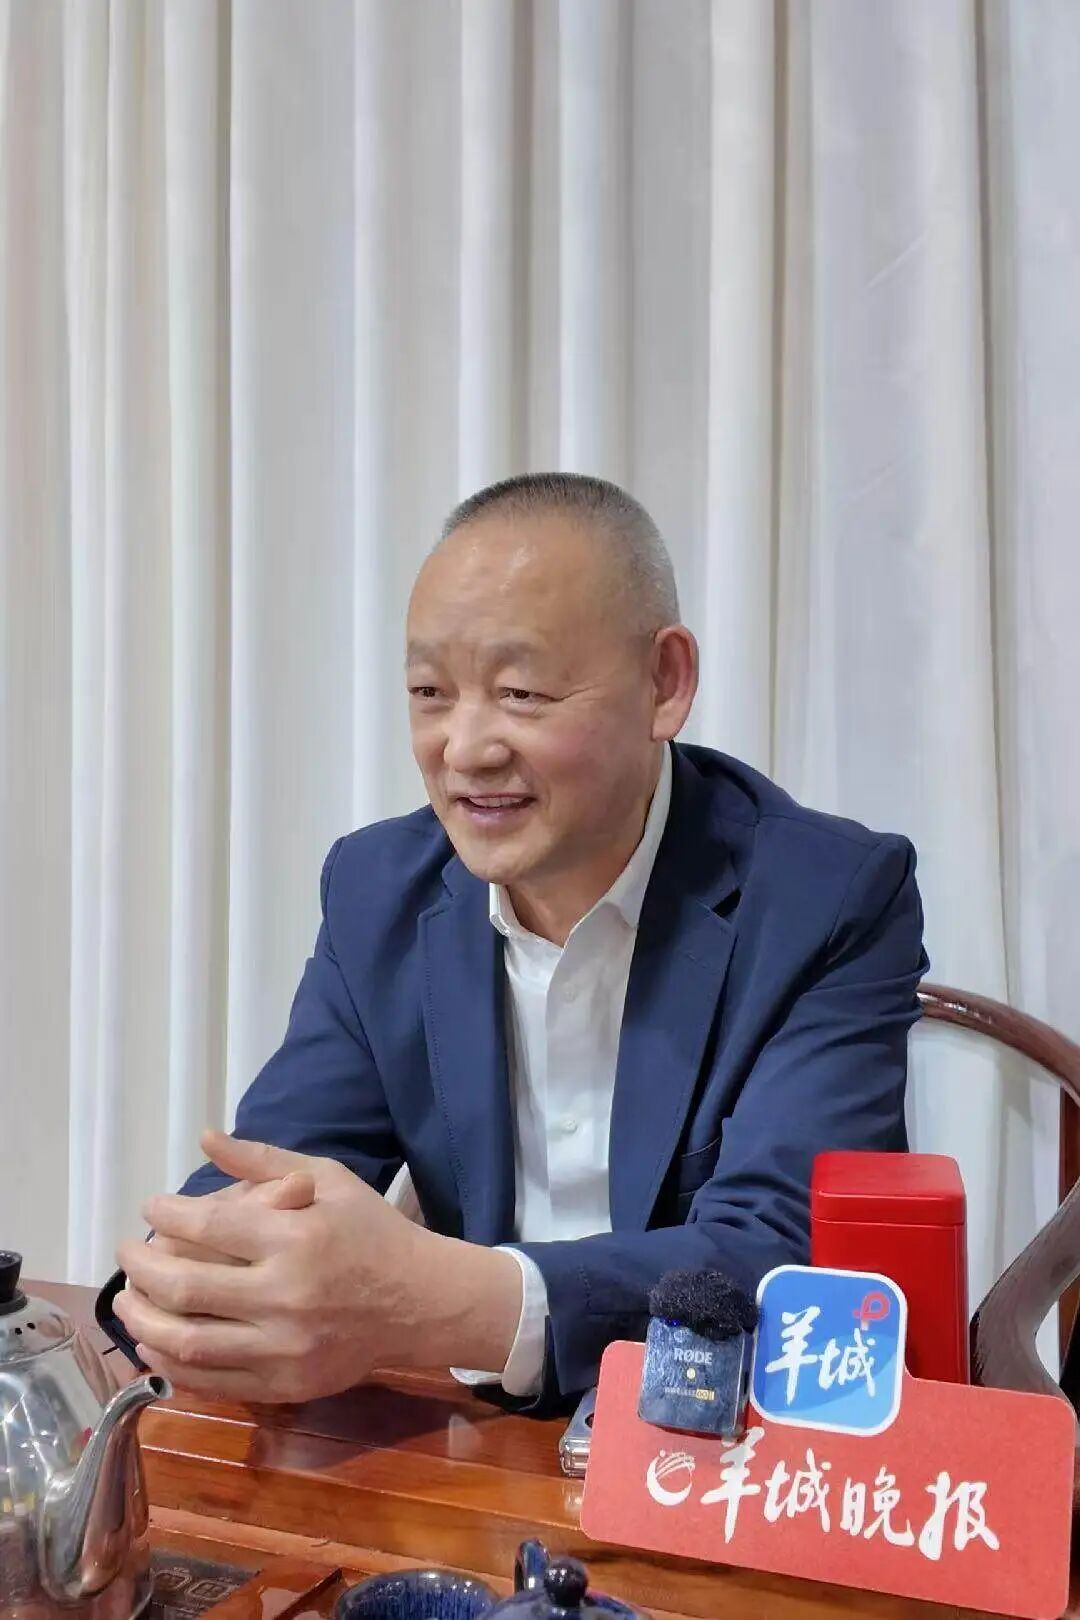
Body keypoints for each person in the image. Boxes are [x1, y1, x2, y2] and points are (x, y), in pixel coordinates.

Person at [110, 472, 928, 1418]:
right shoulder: (379, 890)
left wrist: (435, 1303)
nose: (465, 749)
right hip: (471, 1441)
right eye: (430, 692)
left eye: (520, 692)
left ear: (664, 683)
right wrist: (197, 1282)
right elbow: (281, 1171)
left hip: (708, 1445)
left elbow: (785, 1264)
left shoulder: (826, 898)